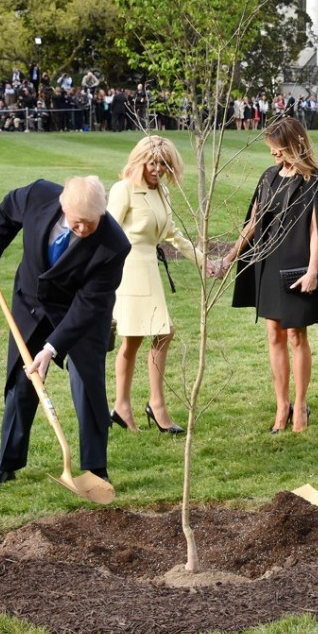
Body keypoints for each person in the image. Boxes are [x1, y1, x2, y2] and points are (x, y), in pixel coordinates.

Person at [0, 176, 131, 494]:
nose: (85, 229)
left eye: (92, 223)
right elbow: (6, 212)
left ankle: (95, 468)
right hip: (31, 302)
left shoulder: (114, 245)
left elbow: (88, 306)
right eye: (77, 223)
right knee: (21, 382)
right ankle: (7, 464)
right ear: (63, 206)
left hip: (82, 313)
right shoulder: (37, 195)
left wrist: (51, 349)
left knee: (88, 383)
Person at [211, 117, 318, 433]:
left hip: (297, 264)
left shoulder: (313, 181)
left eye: (277, 149)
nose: (273, 155)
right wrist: (229, 258)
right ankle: (282, 405)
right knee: (274, 334)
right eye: (271, 150)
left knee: (297, 334)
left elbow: (315, 230)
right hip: (269, 263)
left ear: (294, 145)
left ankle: (301, 406)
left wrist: (313, 271)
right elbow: (253, 224)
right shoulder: (268, 177)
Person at [108, 136, 205, 434]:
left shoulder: (161, 192)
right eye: (152, 162)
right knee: (156, 333)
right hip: (129, 269)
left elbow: (172, 233)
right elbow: (107, 233)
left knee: (140, 337)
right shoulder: (124, 189)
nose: (158, 169)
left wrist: (204, 261)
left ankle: (127, 407)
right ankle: (149, 405)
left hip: (149, 267)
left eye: (164, 163)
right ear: (139, 161)